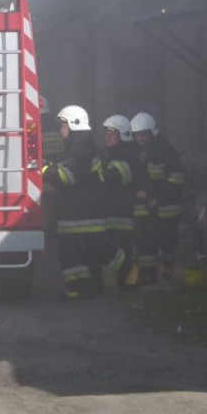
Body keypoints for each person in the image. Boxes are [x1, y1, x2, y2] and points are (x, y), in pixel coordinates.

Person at [41, 105, 100, 299]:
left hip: (80, 211)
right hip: (73, 211)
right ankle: (79, 288)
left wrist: (44, 170)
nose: (60, 130)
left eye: (63, 126)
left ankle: (89, 286)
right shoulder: (77, 147)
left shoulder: (81, 149)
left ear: (74, 124)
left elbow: (68, 177)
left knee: (84, 252)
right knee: (70, 251)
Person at [130, 112, 185, 284]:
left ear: (153, 133)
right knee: (144, 241)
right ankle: (148, 276)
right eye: (137, 135)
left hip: (166, 208)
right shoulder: (132, 154)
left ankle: (167, 267)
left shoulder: (166, 152)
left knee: (167, 241)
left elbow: (176, 180)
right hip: (143, 208)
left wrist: (155, 196)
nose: (141, 138)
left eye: (144, 134)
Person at [92, 115, 140, 290]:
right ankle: (123, 279)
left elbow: (112, 178)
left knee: (121, 246)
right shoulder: (109, 154)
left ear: (123, 135)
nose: (107, 137)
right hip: (110, 211)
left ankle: (128, 277)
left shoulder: (128, 156)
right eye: (107, 134)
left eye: (112, 134)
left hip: (122, 213)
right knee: (112, 247)